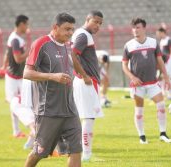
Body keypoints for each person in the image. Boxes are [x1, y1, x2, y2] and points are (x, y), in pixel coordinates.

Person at [23, 13, 82, 167]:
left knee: (75, 150)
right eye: (66, 29)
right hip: (48, 110)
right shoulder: (41, 43)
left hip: (70, 109)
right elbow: (27, 73)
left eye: (72, 29)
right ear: (55, 27)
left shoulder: (68, 45)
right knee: (39, 152)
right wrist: (52, 76)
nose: (70, 33)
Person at [122, 18, 171, 145]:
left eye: (138, 27)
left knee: (161, 106)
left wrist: (166, 77)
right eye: (133, 28)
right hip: (137, 85)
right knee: (139, 110)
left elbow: (160, 61)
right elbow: (124, 65)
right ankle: (142, 136)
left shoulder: (153, 42)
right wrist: (132, 77)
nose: (135, 30)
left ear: (144, 28)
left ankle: (163, 133)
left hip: (152, 83)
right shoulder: (128, 45)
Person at [71, 10, 104, 161]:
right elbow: (72, 54)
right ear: (87, 19)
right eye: (95, 21)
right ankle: (86, 154)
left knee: (85, 117)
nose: (98, 25)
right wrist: (84, 75)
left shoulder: (81, 34)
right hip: (86, 82)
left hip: (84, 81)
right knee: (89, 117)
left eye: (100, 23)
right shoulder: (84, 35)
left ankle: (82, 151)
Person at [5, 15, 29, 138]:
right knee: (15, 103)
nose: (27, 27)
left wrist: (3, 67)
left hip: (18, 76)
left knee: (21, 102)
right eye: (27, 24)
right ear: (21, 24)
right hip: (14, 78)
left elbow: (6, 54)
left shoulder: (16, 38)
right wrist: (29, 52)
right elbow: (18, 59)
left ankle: (18, 130)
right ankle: (16, 131)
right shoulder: (15, 40)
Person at [156, 27, 171, 100]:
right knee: (164, 76)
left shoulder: (169, 40)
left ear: (162, 32)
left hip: (169, 60)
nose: (158, 35)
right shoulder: (161, 41)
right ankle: (165, 91)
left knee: (170, 76)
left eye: (158, 33)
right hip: (164, 60)